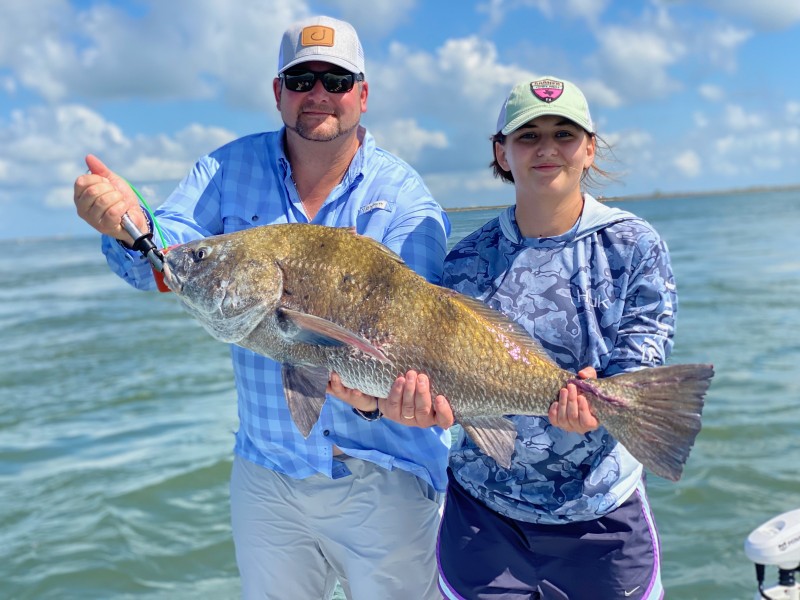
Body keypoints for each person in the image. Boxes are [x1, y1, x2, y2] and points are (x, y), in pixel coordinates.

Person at [73, 16, 452, 600]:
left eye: (337, 78)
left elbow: (426, 333)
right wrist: (127, 224)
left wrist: (385, 401)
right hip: (267, 471)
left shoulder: (403, 198)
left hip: (387, 473)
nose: (318, 93)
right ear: (278, 92)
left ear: (364, 94)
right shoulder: (225, 172)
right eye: (301, 80)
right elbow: (163, 255)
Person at [396, 76, 673, 599]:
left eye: (564, 134)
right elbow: (439, 379)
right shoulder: (463, 262)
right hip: (483, 519)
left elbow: (642, 367)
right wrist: (415, 406)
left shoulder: (634, 245)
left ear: (589, 148)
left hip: (601, 516)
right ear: (501, 153)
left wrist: (605, 397)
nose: (546, 148)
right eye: (527, 136)